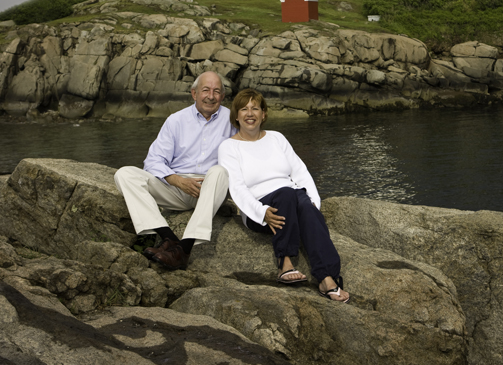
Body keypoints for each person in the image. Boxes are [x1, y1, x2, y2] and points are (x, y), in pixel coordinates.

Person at [218, 88, 349, 303]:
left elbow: (300, 171)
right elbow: (237, 188)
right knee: (288, 194)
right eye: (244, 109)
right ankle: (285, 262)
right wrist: (261, 212)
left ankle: (326, 278)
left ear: (263, 114)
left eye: (255, 108)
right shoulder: (228, 147)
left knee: (304, 205)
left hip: (292, 199)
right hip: (260, 208)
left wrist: (314, 203)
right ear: (236, 116)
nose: (250, 113)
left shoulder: (277, 138)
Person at [114, 71, 237, 270]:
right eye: (205, 90)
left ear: (222, 96)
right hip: (176, 188)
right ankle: (168, 237)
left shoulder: (232, 120)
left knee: (219, 171)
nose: (211, 96)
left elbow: (247, 154)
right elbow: (153, 160)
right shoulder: (176, 120)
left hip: (211, 189)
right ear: (194, 93)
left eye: (216, 91)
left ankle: (184, 249)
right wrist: (177, 180)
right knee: (125, 174)